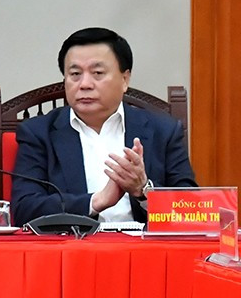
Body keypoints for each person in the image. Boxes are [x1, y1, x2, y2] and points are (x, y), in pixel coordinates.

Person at [11, 27, 196, 225]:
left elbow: (193, 210)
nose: (85, 84)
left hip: (145, 250)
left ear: (125, 80)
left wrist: (144, 190)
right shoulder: (39, 133)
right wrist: (96, 201)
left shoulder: (163, 131)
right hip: (71, 250)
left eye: (97, 73)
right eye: (75, 74)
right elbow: (25, 208)